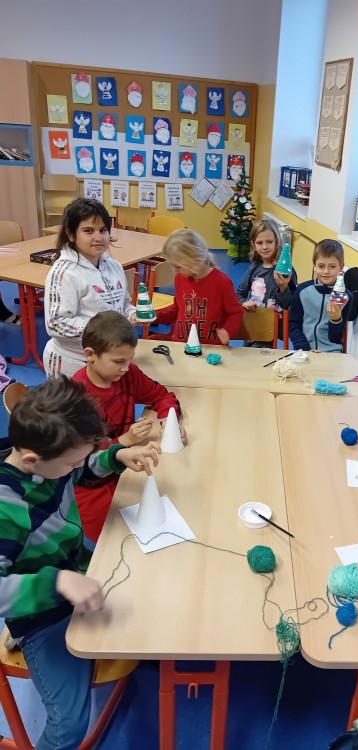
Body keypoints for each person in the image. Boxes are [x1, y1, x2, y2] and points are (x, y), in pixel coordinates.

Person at [0, 377, 160, 750]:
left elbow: (79, 468)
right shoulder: (7, 511)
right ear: (32, 461)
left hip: (77, 573)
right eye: (71, 461)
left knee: (153, 588)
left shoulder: (48, 459)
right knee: (69, 726)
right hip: (40, 617)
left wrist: (115, 456)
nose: (76, 466)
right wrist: (57, 582)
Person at [73, 311, 187, 541]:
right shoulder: (75, 396)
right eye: (118, 361)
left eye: (130, 359)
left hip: (128, 465)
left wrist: (168, 421)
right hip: (93, 482)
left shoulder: (128, 374)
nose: (126, 367)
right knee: (117, 541)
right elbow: (79, 463)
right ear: (90, 355)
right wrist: (125, 441)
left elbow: (162, 395)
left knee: (178, 500)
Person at [43, 198, 138, 378]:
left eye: (103, 230)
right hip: (72, 361)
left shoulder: (114, 266)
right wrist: (103, 329)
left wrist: (132, 313)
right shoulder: (64, 273)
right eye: (88, 231)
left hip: (108, 359)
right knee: (75, 399)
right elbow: (55, 324)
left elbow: (124, 303)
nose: (98, 237)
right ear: (71, 235)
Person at [155, 228, 242, 345]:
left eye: (178, 266)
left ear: (193, 260)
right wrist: (153, 316)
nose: (175, 270)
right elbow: (178, 308)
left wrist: (227, 331)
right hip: (182, 346)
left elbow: (235, 313)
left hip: (211, 348)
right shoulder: (180, 278)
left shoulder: (222, 282)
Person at [236, 218, 297, 347]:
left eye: (269, 242)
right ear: (253, 245)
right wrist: (245, 303)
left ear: (277, 242)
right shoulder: (254, 268)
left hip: (271, 330)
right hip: (253, 324)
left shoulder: (286, 271)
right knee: (248, 355)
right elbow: (238, 294)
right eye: (259, 243)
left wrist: (283, 288)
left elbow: (291, 305)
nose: (264, 247)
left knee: (260, 355)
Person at [289, 239, 351, 352]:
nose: (326, 271)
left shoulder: (346, 297)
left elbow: (336, 338)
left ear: (341, 267)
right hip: (304, 350)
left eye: (332, 266)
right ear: (314, 266)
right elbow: (294, 326)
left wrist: (335, 319)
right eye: (321, 266)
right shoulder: (302, 291)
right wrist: (304, 349)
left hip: (332, 353)